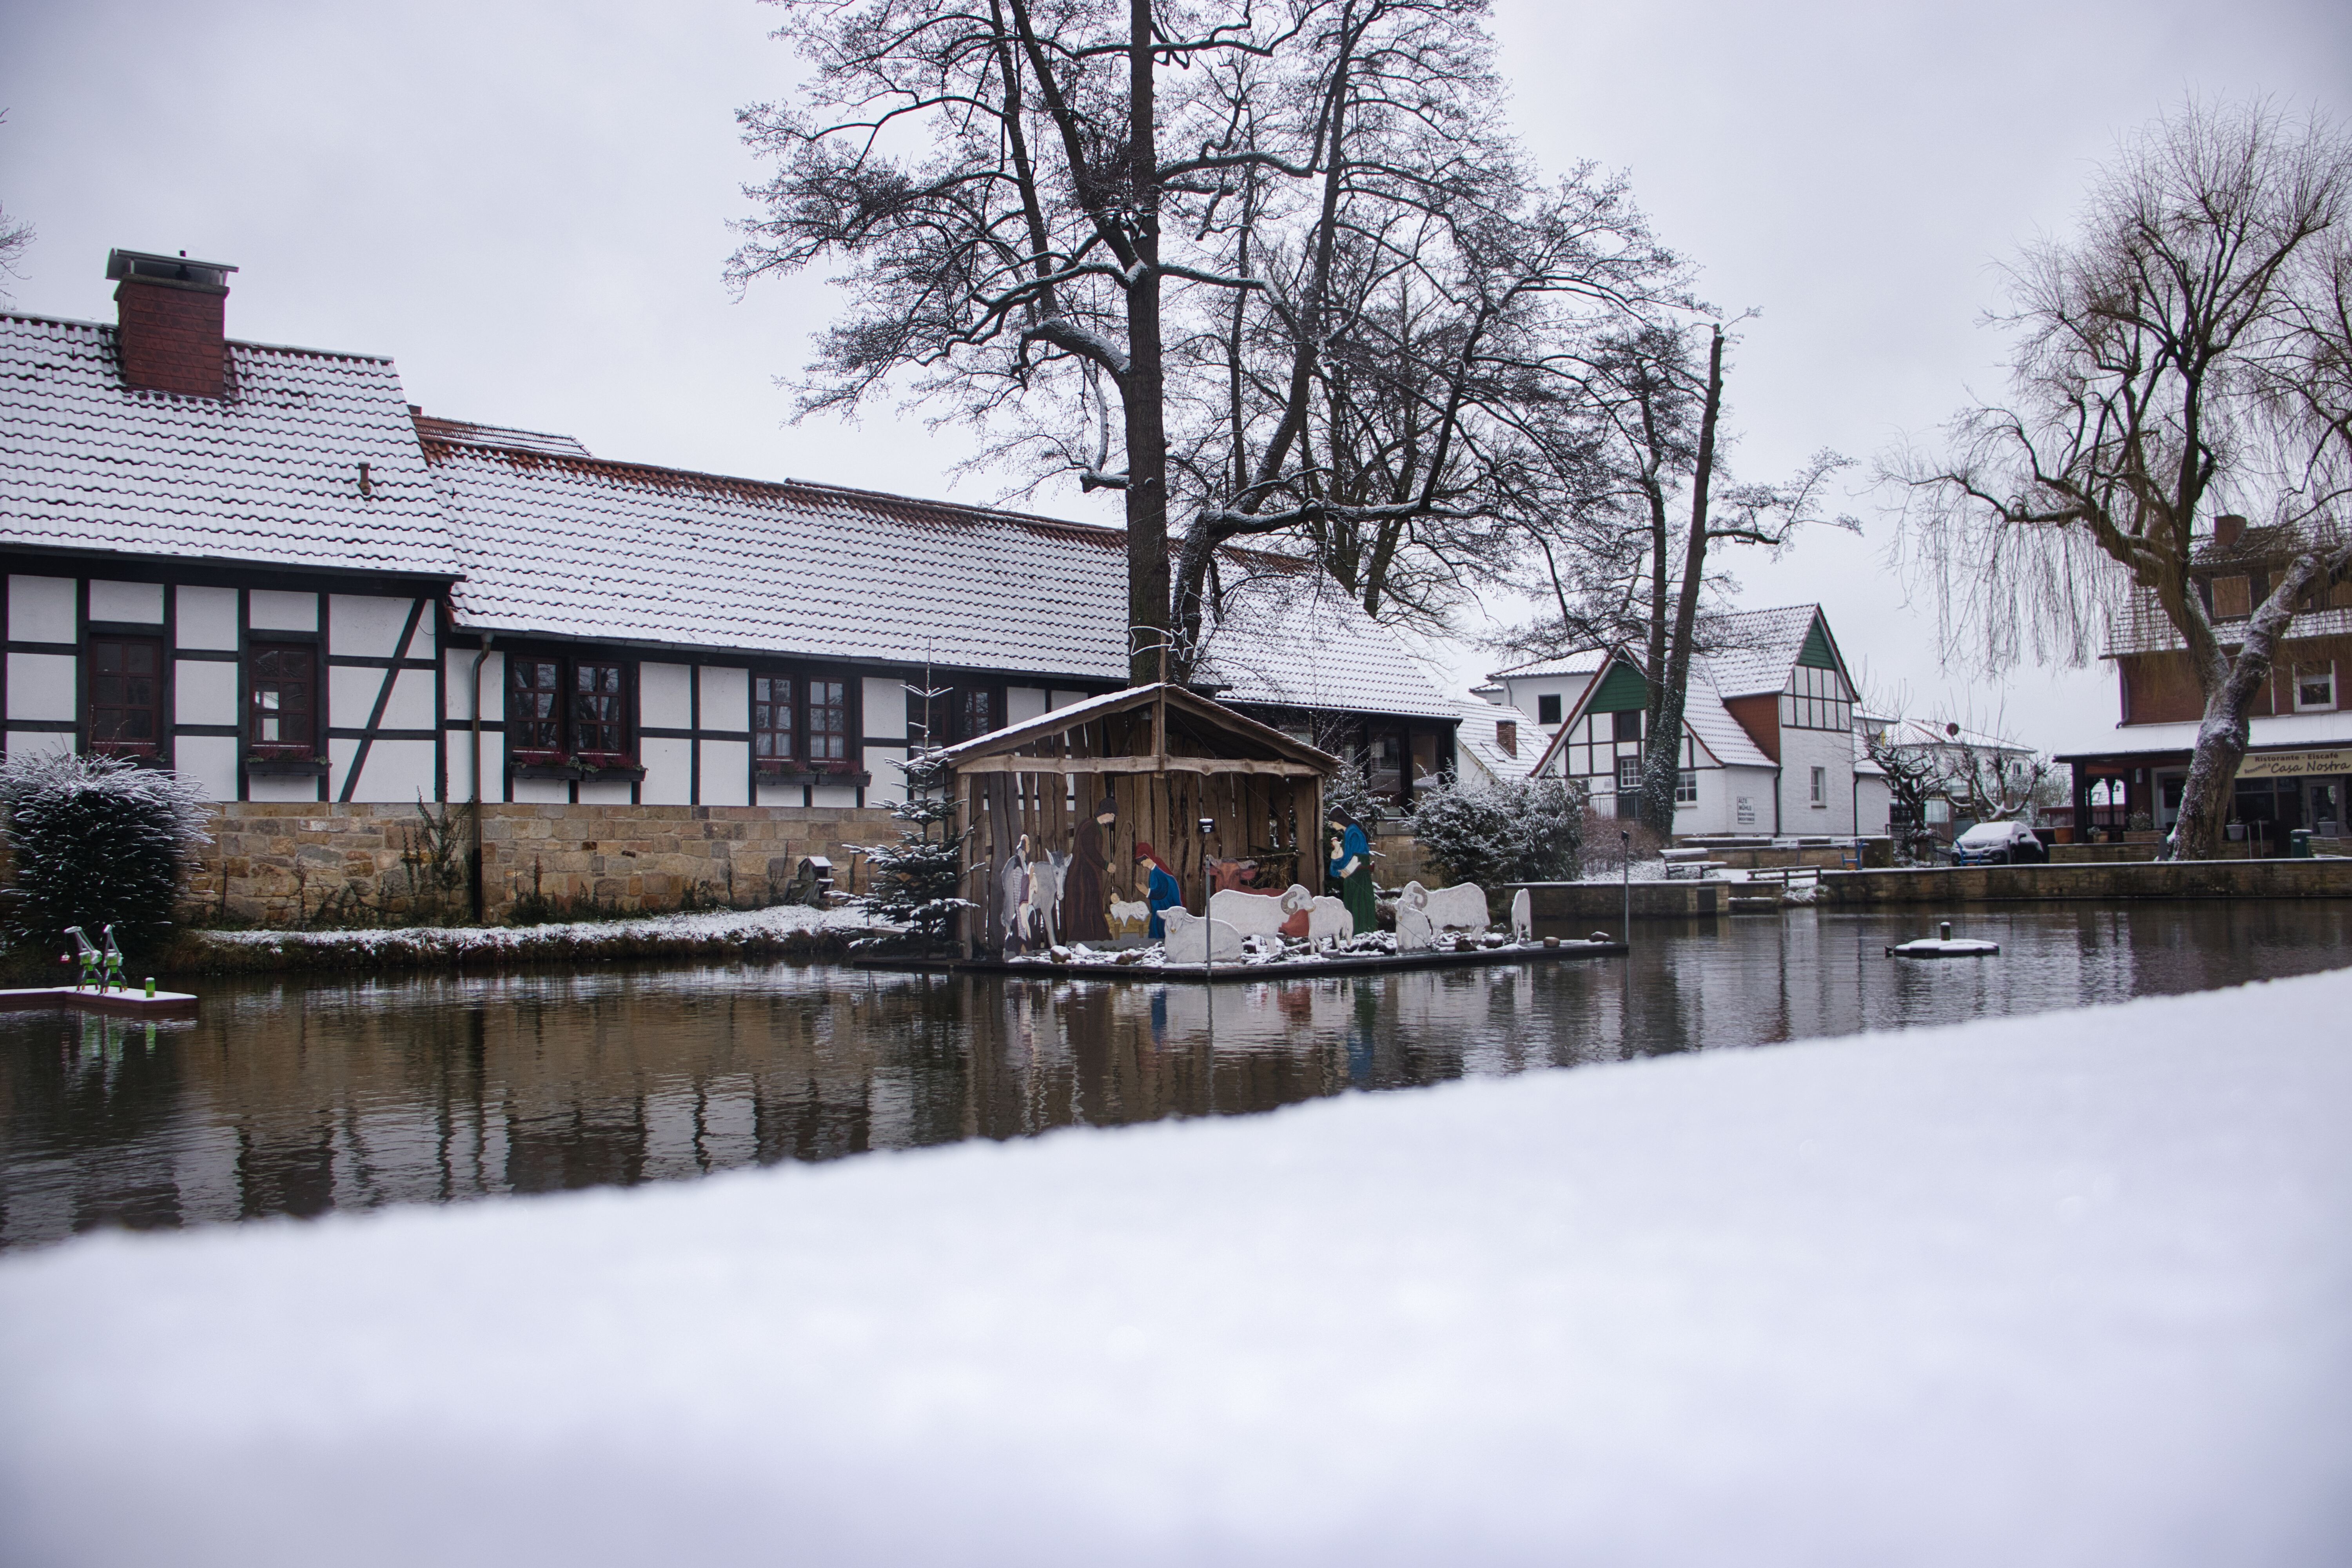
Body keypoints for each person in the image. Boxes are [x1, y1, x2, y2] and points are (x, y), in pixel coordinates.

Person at [1065, 797, 1114, 942]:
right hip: (1082, 875)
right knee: (1083, 904)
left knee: (1092, 903)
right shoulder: (1090, 826)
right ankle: (1083, 937)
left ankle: (1094, 936)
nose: (1112, 819)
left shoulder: (1097, 827)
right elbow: (1090, 850)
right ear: (1106, 813)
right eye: (1112, 816)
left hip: (1090, 873)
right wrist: (1106, 865)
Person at [1328, 811, 1376, 937]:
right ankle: (1354, 931)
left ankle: (1361, 931)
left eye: (1333, 823)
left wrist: (1343, 870)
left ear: (1340, 821)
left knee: (1359, 902)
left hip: (1358, 873)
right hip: (1354, 873)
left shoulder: (1353, 833)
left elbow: (1354, 857)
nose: (1332, 826)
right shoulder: (1349, 833)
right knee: (1353, 901)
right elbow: (1346, 855)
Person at [1134, 843, 1182, 940]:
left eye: (1143, 862)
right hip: (1162, 904)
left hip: (1166, 905)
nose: (1143, 866)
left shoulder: (1158, 870)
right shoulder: (1156, 869)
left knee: (1161, 925)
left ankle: (1161, 943)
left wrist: (1146, 892)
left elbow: (1162, 891)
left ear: (1148, 858)